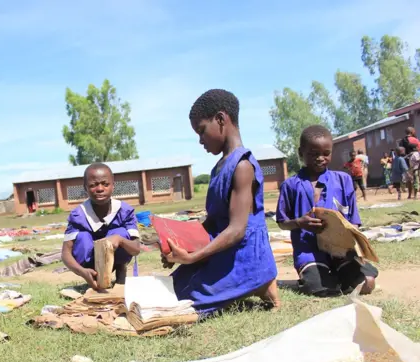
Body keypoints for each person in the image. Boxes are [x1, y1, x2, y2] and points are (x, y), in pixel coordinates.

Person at [161, 89, 280, 314]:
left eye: (201, 131)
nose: (200, 141)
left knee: (183, 304)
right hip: (221, 250)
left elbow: (236, 230)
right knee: (171, 289)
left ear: (221, 119)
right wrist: (177, 245)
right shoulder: (219, 167)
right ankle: (259, 282)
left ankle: (260, 278)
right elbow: (214, 221)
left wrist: (193, 257)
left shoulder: (242, 166)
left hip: (242, 255)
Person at [276, 125, 377, 297]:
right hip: (309, 251)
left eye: (326, 153)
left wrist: (347, 231)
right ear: (301, 153)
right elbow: (282, 222)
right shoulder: (291, 185)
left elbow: (354, 219)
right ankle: (317, 276)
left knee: (367, 283)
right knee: (321, 289)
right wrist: (300, 222)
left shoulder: (343, 180)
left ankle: (347, 271)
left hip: (341, 250)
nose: (320, 158)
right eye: (313, 154)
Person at [61, 163, 141, 289]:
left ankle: (121, 271)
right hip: (90, 263)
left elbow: (136, 248)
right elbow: (66, 254)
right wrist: (81, 271)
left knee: (120, 233)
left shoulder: (124, 211)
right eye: (93, 185)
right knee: (82, 237)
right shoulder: (78, 215)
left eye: (105, 184)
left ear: (113, 185)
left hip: (115, 260)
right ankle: (92, 277)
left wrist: (120, 240)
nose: (100, 189)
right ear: (85, 188)